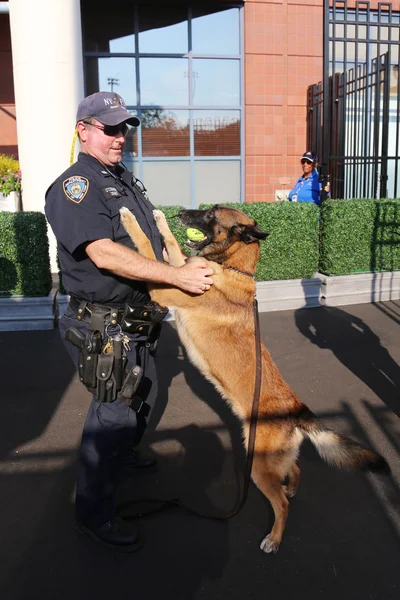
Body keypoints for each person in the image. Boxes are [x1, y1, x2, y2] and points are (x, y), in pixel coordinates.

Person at [45, 91, 214, 552]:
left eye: (124, 128)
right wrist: (175, 276)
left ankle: (124, 456)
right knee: (113, 415)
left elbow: (151, 242)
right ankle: (94, 513)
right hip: (103, 324)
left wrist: (184, 263)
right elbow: (102, 251)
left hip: (136, 319)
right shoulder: (75, 186)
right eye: (109, 128)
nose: (121, 137)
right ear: (84, 130)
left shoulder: (124, 181)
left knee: (146, 393)